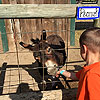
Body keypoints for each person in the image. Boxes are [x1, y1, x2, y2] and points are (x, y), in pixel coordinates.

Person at [56, 27, 100, 100]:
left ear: (84, 49)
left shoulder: (92, 75)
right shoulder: (89, 69)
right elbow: (75, 76)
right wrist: (62, 71)